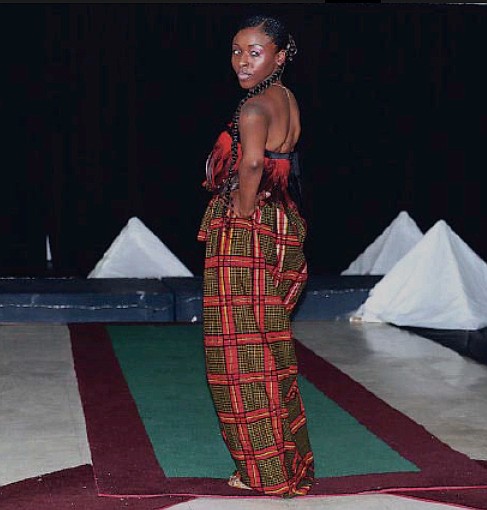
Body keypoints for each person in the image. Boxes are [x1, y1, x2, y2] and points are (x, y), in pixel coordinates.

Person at [197, 14, 314, 497]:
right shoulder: (285, 98)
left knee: (238, 354)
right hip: (283, 224)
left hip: (250, 229)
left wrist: (240, 217)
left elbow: (250, 163)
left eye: (255, 52)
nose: (242, 62)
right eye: (236, 51)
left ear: (280, 55)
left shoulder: (252, 110)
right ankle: (286, 458)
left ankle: (263, 471)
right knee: (267, 344)